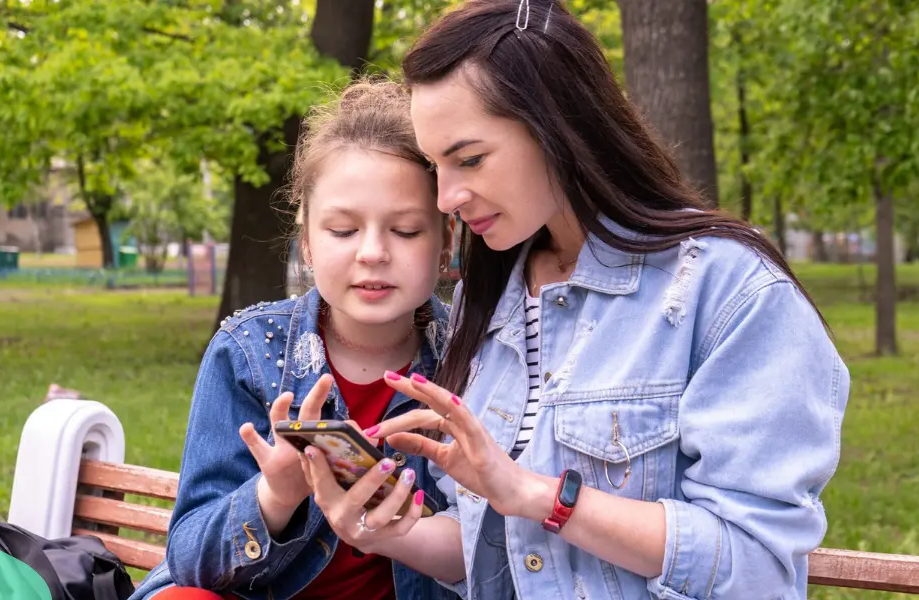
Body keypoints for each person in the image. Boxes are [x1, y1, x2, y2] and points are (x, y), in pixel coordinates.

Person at [297, 2, 851, 599]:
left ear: (557, 124)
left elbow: (758, 564)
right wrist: (383, 531)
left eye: (470, 159)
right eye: (437, 167)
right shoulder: (486, 304)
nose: (447, 197)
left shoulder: (727, 291)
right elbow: (497, 555)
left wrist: (539, 496)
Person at [129, 78, 459, 600]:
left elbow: (504, 553)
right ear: (306, 242)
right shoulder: (248, 352)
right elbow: (189, 556)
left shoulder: (477, 353)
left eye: (406, 230)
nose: (372, 252)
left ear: (446, 243)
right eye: (343, 231)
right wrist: (275, 496)